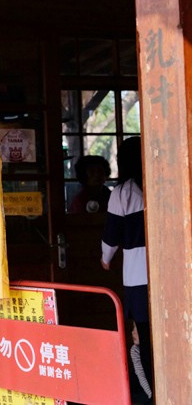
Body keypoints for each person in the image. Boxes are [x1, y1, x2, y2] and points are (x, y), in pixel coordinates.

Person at [101, 136, 152, 392]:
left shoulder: (122, 193)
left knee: (142, 336)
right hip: (170, 274)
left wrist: (105, 258)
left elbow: (112, 235)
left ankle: (153, 390)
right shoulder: (164, 181)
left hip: (137, 277)